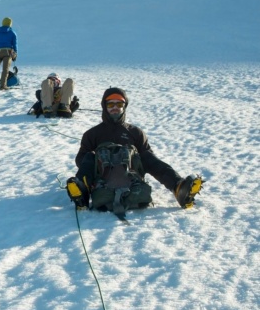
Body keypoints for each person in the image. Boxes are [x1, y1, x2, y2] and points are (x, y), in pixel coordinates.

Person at [66, 87, 203, 214]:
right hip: (102, 175)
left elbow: (151, 162)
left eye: (119, 104)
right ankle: (82, 193)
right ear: (104, 106)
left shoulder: (135, 132)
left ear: (124, 107)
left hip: (130, 174)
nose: (115, 108)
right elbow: (80, 159)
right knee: (89, 157)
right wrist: (98, 159)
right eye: (110, 104)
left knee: (146, 156)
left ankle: (179, 188)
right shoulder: (92, 134)